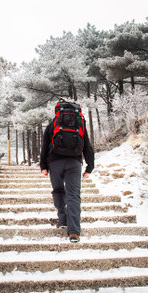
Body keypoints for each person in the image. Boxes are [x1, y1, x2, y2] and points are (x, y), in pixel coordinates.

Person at [40, 101, 95, 243]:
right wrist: (90, 166)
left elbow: (45, 145)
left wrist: (43, 166)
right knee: (73, 196)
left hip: (54, 162)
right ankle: (74, 232)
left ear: (57, 111)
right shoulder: (79, 123)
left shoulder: (54, 123)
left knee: (58, 190)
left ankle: (63, 219)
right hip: (74, 163)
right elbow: (87, 145)